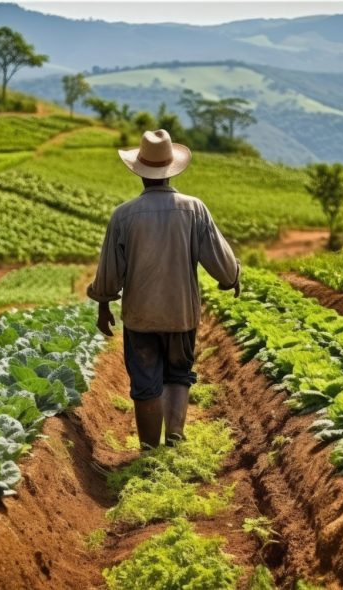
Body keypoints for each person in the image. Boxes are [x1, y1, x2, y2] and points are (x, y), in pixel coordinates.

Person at [87, 129, 241, 450]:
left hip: (140, 317)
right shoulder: (194, 209)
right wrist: (231, 278)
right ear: (171, 169)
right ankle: (174, 435)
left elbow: (110, 273)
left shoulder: (123, 215)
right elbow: (219, 259)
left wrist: (103, 305)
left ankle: (149, 450)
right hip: (181, 314)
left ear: (140, 173)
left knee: (146, 385)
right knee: (178, 374)